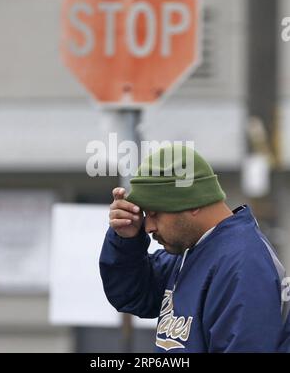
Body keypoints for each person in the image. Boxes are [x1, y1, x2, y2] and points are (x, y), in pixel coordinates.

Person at [99, 145, 289, 353]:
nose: (148, 226)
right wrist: (127, 241)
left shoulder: (243, 264)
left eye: (154, 213)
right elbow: (132, 295)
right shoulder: (193, 249)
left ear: (193, 203)